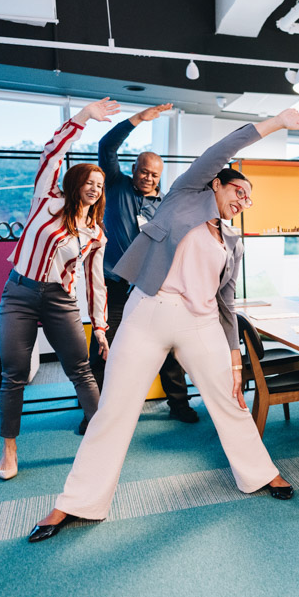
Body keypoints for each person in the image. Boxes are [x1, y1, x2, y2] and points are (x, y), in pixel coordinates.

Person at [28, 108, 299, 543]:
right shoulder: (184, 193)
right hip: (148, 311)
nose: (243, 201)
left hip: (200, 324)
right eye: (239, 190)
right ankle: (77, 502)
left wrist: (235, 361)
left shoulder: (232, 242)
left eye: (249, 199)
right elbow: (225, 146)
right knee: (115, 409)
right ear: (217, 182)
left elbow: (226, 304)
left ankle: (260, 473)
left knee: (229, 403)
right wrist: (277, 123)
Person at [0, 98, 118, 480]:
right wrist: (83, 118)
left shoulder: (96, 234)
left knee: (81, 370)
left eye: (100, 185)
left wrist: (100, 327)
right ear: (74, 184)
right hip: (18, 293)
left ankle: (102, 445)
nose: (95, 188)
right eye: (89, 182)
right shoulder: (46, 201)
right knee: (14, 374)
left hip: (60, 300)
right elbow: (52, 152)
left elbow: (96, 283)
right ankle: (9, 450)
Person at [90, 102, 199, 423]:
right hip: (115, 285)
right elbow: (105, 146)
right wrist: (138, 119)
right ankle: (93, 411)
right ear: (134, 169)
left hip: (151, 286)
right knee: (102, 346)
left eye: (155, 175)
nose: (149, 178)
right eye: (144, 172)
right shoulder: (115, 184)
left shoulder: (164, 204)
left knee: (168, 345)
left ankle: (179, 405)